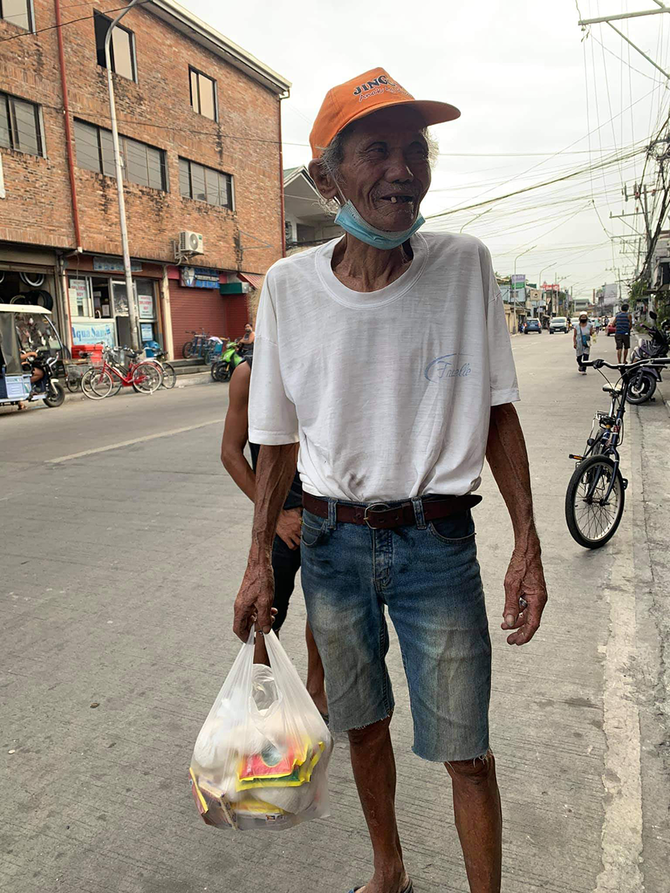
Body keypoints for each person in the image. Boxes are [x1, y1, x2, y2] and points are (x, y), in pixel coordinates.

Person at [235, 68, 548, 893]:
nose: (403, 170)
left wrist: (527, 539)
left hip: (436, 544)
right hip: (333, 545)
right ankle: (390, 873)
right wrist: (258, 558)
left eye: (415, 150)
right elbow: (272, 441)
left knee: (466, 748)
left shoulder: (463, 267)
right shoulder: (288, 287)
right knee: (361, 726)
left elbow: (497, 411)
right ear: (329, 176)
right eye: (379, 150)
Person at [221, 353, 327, 719]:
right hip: (281, 522)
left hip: (327, 515)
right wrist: (275, 517)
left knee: (325, 613)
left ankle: (316, 691)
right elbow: (231, 453)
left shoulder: (321, 358)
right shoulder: (248, 374)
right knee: (265, 615)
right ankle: (263, 699)